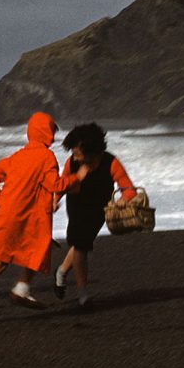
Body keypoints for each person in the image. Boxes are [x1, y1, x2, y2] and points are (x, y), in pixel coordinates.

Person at [0, 111, 87, 325]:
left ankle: (14, 290)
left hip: (10, 215)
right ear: (46, 134)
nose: (53, 136)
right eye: (51, 131)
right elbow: (54, 185)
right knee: (9, 260)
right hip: (23, 219)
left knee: (31, 250)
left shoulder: (18, 156)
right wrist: (76, 178)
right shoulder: (46, 157)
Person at [53, 122, 137, 307]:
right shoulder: (71, 163)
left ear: (91, 149)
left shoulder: (110, 162)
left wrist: (124, 199)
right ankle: (83, 294)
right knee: (81, 245)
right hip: (76, 205)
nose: (73, 154)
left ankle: (61, 271)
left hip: (100, 209)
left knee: (81, 243)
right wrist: (55, 199)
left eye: (77, 149)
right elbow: (62, 184)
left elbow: (129, 189)